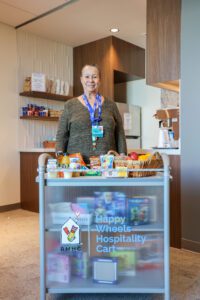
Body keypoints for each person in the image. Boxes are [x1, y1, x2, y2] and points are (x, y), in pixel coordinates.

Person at [55, 64, 127, 164]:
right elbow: (61, 135)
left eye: (94, 77)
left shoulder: (111, 105)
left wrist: (122, 156)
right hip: (77, 165)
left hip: (107, 164)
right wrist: (60, 158)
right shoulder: (69, 105)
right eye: (87, 76)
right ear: (81, 79)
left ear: (100, 80)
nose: (91, 80)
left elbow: (120, 133)